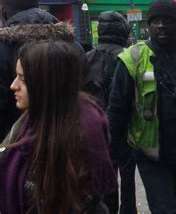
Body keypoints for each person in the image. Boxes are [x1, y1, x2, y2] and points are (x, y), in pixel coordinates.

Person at [108, 0, 176, 213]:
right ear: (149, 25)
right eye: (155, 21)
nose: (161, 26)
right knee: (165, 209)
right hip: (152, 154)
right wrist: (115, 151)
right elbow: (117, 109)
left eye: (167, 21)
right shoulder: (133, 58)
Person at [0, 40, 116, 214]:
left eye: (23, 79)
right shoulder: (29, 122)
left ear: (46, 84)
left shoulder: (79, 140)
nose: (13, 86)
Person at [84, 11, 136, 214]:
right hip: (125, 127)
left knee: (105, 174)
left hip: (95, 126)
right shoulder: (128, 58)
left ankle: (108, 208)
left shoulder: (88, 57)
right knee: (128, 173)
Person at [0, 0, 66, 141]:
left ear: (4, 10)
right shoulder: (69, 42)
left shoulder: (3, 47)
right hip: (64, 136)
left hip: (16, 142)